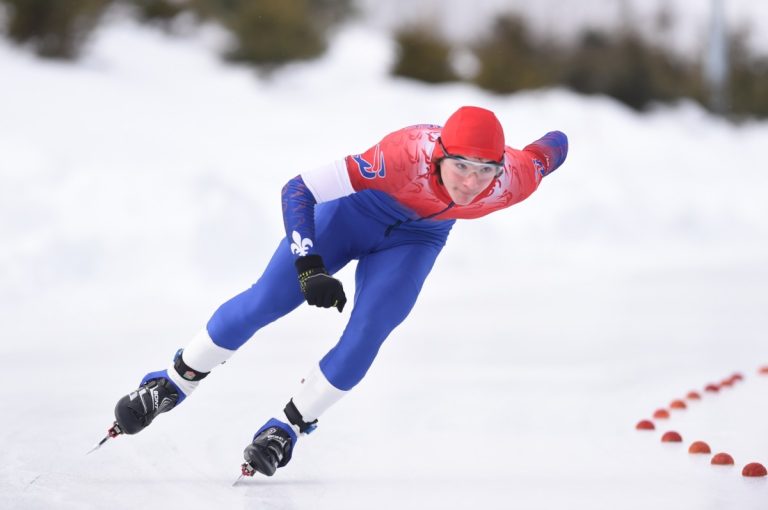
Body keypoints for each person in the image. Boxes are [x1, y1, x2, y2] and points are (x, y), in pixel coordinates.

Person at [110, 106, 569, 477]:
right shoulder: (403, 154)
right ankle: (172, 383)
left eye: (485, 171)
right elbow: (299, 188)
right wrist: (309, 265)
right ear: (439, 156)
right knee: (267, 300)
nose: (470, 183)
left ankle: (286, 429)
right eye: (461, 167)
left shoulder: (514, 179)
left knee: (369, 332)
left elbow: (554, 148)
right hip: (354, 214)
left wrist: (554, 139)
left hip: (418, 239)